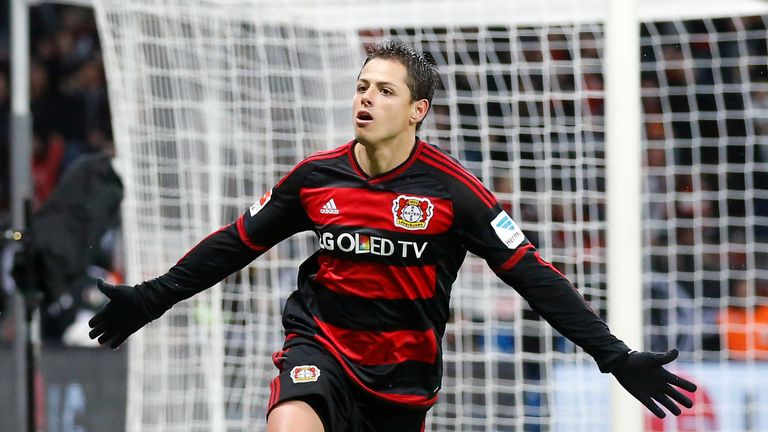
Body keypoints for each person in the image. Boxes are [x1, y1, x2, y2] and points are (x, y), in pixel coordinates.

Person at [88, 40, 697, 431]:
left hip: (403, 385)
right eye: (361, 86)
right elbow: (234, 244)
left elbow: (534, 276)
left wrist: (613, 356)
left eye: (385, 90)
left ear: (416, 110)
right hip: (320, 348)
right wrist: (151, 296)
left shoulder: (454, 193)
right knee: (289, 424)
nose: (366, 98)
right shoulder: (314, 179)